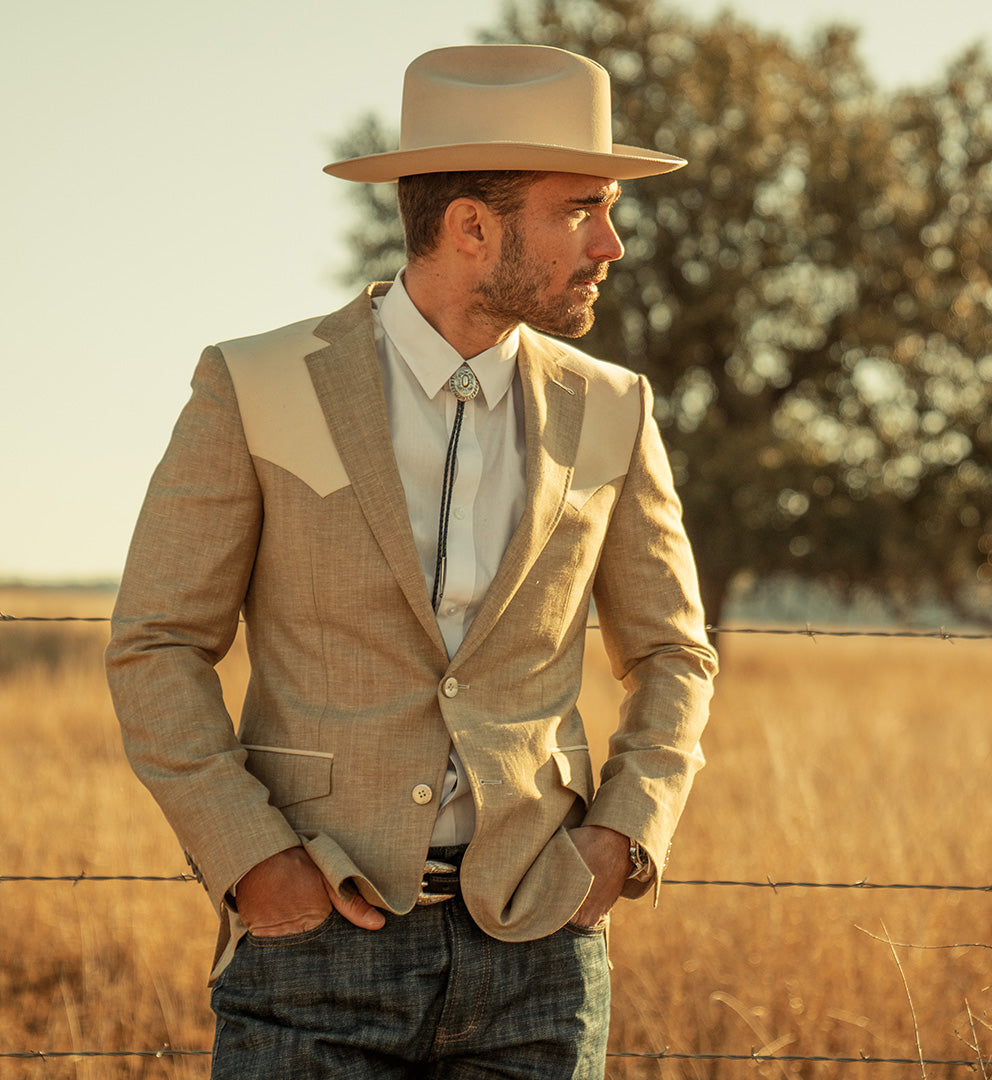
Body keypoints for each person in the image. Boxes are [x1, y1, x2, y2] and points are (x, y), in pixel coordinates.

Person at [105, 43, 717, 1079]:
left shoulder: (616, 407)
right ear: (472, 226)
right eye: (582, 209)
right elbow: (157, 644)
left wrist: (620, 839)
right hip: (315, 945)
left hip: (541, 954)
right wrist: (254, 860)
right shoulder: (256, 386)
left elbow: (673, 654)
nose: (610, 243)